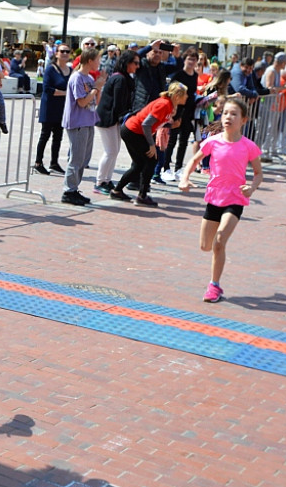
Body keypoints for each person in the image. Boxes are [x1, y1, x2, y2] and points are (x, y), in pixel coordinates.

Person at [178, 94, 262, 302]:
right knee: (205, 246)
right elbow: (194, 160)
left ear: (243, 120)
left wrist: (251, 187)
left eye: (234, 114)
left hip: (235, 199)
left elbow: (259, 173)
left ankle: (214, 286)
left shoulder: (248, 146)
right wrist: (184, 179)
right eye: (225, 113)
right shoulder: (213, 142)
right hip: (214, 198)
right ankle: (215, 280)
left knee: (219, 241)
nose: (228, 117)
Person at [112, 82, 186, 207]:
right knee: (151, 160)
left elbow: (156, 122)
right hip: (133, 131)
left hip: (132, 131)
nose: (187, 97)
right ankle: (142, 196)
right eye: (185, 95)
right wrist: (151, 145)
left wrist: (171, 125)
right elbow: (146, 124)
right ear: (177, 96)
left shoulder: (168, 104)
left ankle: (117, 191)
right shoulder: (164, 104)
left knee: (139, 164)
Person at [61, 47, 104, 206]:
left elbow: (95, 101)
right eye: (97, 60)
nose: (99, 63)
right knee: (76, 158)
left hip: (88, 120)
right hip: (77, 122)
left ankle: (74, 189)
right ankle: (68, 191)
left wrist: (98, 87)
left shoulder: (89, 79)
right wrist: (95, 88)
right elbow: (82, 102)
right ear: (90, 61)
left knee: (84, 158)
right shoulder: (77, 78)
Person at [94, 49, 137, 195]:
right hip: (108, 119)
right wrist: (123, 119)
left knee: (114, 151)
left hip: (113, 120)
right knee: (110, 151)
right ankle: (100, 181)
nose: (137, 66)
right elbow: (118, 103)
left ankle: (106, 179)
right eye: (135, 63)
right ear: (127, 63)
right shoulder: (119, 79)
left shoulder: (124, 77)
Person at [161, 48, 199, 181]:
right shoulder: (178, 74)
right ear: (185, 59)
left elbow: (193, 94)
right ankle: (166, 167)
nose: (191, 61)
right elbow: (171, 92)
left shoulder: (195, 75)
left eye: (194, 59)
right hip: (177, 111)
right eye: (189, 59)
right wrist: (174, 113)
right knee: (171, 141)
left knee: (183, 142)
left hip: (189, 112)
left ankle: (178, 168)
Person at [34, 43, 70, 175]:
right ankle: (38, 162)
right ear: (56, 53)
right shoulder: (50, 69)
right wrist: (65, 93)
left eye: (67, 51)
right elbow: (47, 89)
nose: (65, 54)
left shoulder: (70, 70)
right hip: (49, 107)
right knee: (45, 135)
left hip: (62, 108)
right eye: (62, 51)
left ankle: (54, 162)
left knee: (58, 136)